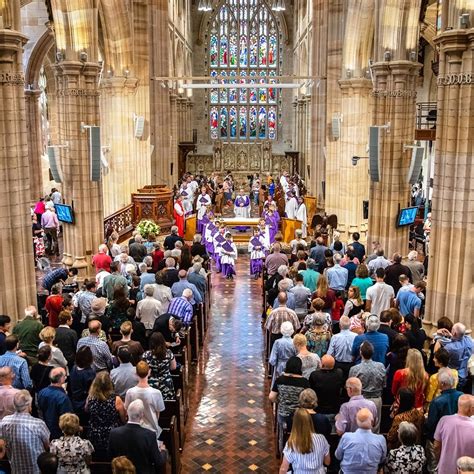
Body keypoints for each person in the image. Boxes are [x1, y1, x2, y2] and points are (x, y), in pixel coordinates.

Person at [108, 400, 165, 474]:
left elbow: (110, 457)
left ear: (127, 413)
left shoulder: (114, 433)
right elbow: (158, 461)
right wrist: (163, 451)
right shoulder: (149, 435)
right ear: (142, 415)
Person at [0, 390, 50, 474]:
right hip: (36, 469)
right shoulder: (38, 424)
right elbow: (47, 446)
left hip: (15, 468)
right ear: (29, 405)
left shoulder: (5, 421)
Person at [269, 357, 309, 452]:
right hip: (299, 414)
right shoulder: (304, 381)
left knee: (283, 433)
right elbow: (307, 398)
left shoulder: (280, 379)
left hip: (283, 413)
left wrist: (280, 401)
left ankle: (282, 451)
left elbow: (271, 397)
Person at [86, 371, 126, 461]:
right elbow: (123, 419)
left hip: (95, 434)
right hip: (112, 434)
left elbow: (86, 410)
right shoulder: (116, 399)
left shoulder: (90, 398)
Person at [349, 341, 386, 432]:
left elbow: (351, 387)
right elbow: (384, 384)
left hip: (361, 400)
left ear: (360, 352)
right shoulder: (381, 367)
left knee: (359, 426)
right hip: (375, 399)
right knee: (375, 427)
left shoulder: (355, 369)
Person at [279, 408, 330, 474]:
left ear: (295, 423)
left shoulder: (291, 443)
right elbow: (327, 462)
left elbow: (283, 469)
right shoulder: (322, 438)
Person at [335, 408, 386, 473]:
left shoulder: (346, 437)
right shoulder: (381, 439)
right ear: (372, 422)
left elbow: (338, 456)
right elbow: (382, 460)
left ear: (356, 421)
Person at [434, 394, 474, 474]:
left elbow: (436, 446)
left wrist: (440, 460)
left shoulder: (444, 420)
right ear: (471, 409)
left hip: (445, 469)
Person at [124, 360, 166, 438]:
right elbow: (158, 413)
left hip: (135, 432)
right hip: (152, 430)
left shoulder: (130, 392)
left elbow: (127, 410)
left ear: (136, 373)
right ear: (149, 372)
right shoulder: (156, 393)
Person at [37, 367, 73, 440]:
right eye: (65, 376)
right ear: (62, 379)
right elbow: (67, 419)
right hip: (58, 433)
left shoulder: (42, 392)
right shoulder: (63, 398)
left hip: (44, 430)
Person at [142, 332, 176, 400]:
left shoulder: (146, 355)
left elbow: (144, 369)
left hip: (152, 384)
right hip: (166, 383)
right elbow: (173, 367)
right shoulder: (168, 353)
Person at [439, 322, 473, 391]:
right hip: (464, 373)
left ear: (454, 333)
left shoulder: (450, 348)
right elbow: (460, 339)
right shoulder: (470, 341)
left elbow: (439, 356)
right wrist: (451, 336)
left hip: (453, 375)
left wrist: (438, 337)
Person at [68, 346, 95, 425]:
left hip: (73, 402)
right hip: (84, 404)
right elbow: (91, 391)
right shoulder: (90, 373)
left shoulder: (73, 368)